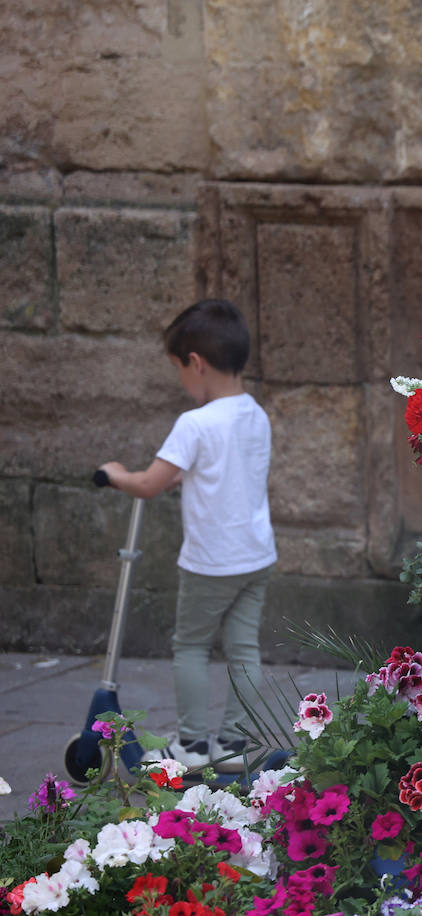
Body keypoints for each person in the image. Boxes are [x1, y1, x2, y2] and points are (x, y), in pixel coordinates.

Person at [98, 299, 276, 771]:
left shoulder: (194, 423)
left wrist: (114, 474)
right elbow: (226, 471)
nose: (180, 380)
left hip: (210, 563)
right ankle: (234, 745)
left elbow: (148, 484)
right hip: (256, 557)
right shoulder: (255, 414)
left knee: (192, 646)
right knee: (244, 650)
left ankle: (192, 746)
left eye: (178, 369)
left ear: (195, 363)